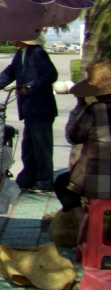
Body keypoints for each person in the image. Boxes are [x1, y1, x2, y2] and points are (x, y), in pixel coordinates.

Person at [0, 37, 59, 191]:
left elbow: (50, 75)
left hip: (41, 109)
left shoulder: (38, 53)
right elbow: (10, 73)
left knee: (42, 147)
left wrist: (30, 88)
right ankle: (27, 179)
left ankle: (45, 181)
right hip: (29, 109)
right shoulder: (20, 54)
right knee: (29, 148)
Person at [54, 59, 111, 222]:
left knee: (61, 183)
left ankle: (80, 216)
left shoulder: (94, 111)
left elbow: (72, 137)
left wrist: (80, 107)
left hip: (97, 184)